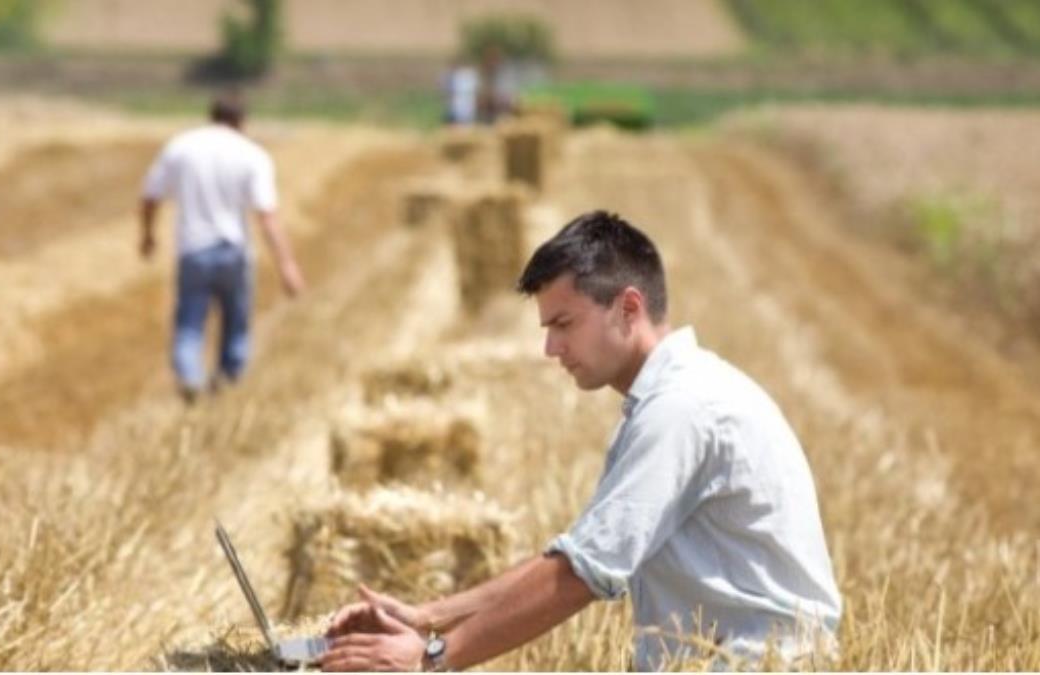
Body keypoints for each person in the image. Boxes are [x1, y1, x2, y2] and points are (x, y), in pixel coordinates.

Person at [319, 211, 842, 671]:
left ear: (628, 307)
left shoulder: (683, 409)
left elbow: (582, 575)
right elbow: (578, 555)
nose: (551, 347)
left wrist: (432, 657)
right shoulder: (674, 397)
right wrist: (428, 618)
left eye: (564, 324)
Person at [139, 92, 304, 402]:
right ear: (242, 120)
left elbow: (150, 196)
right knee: (236, 325)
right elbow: (267, 217)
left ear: (211, 115)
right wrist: (287, 265)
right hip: (234, 251)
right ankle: (227, 384)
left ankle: (190, 377)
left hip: (193, 250)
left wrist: (147, 236)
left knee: (189, 324)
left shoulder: (182, 147)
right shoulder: (251, 154)